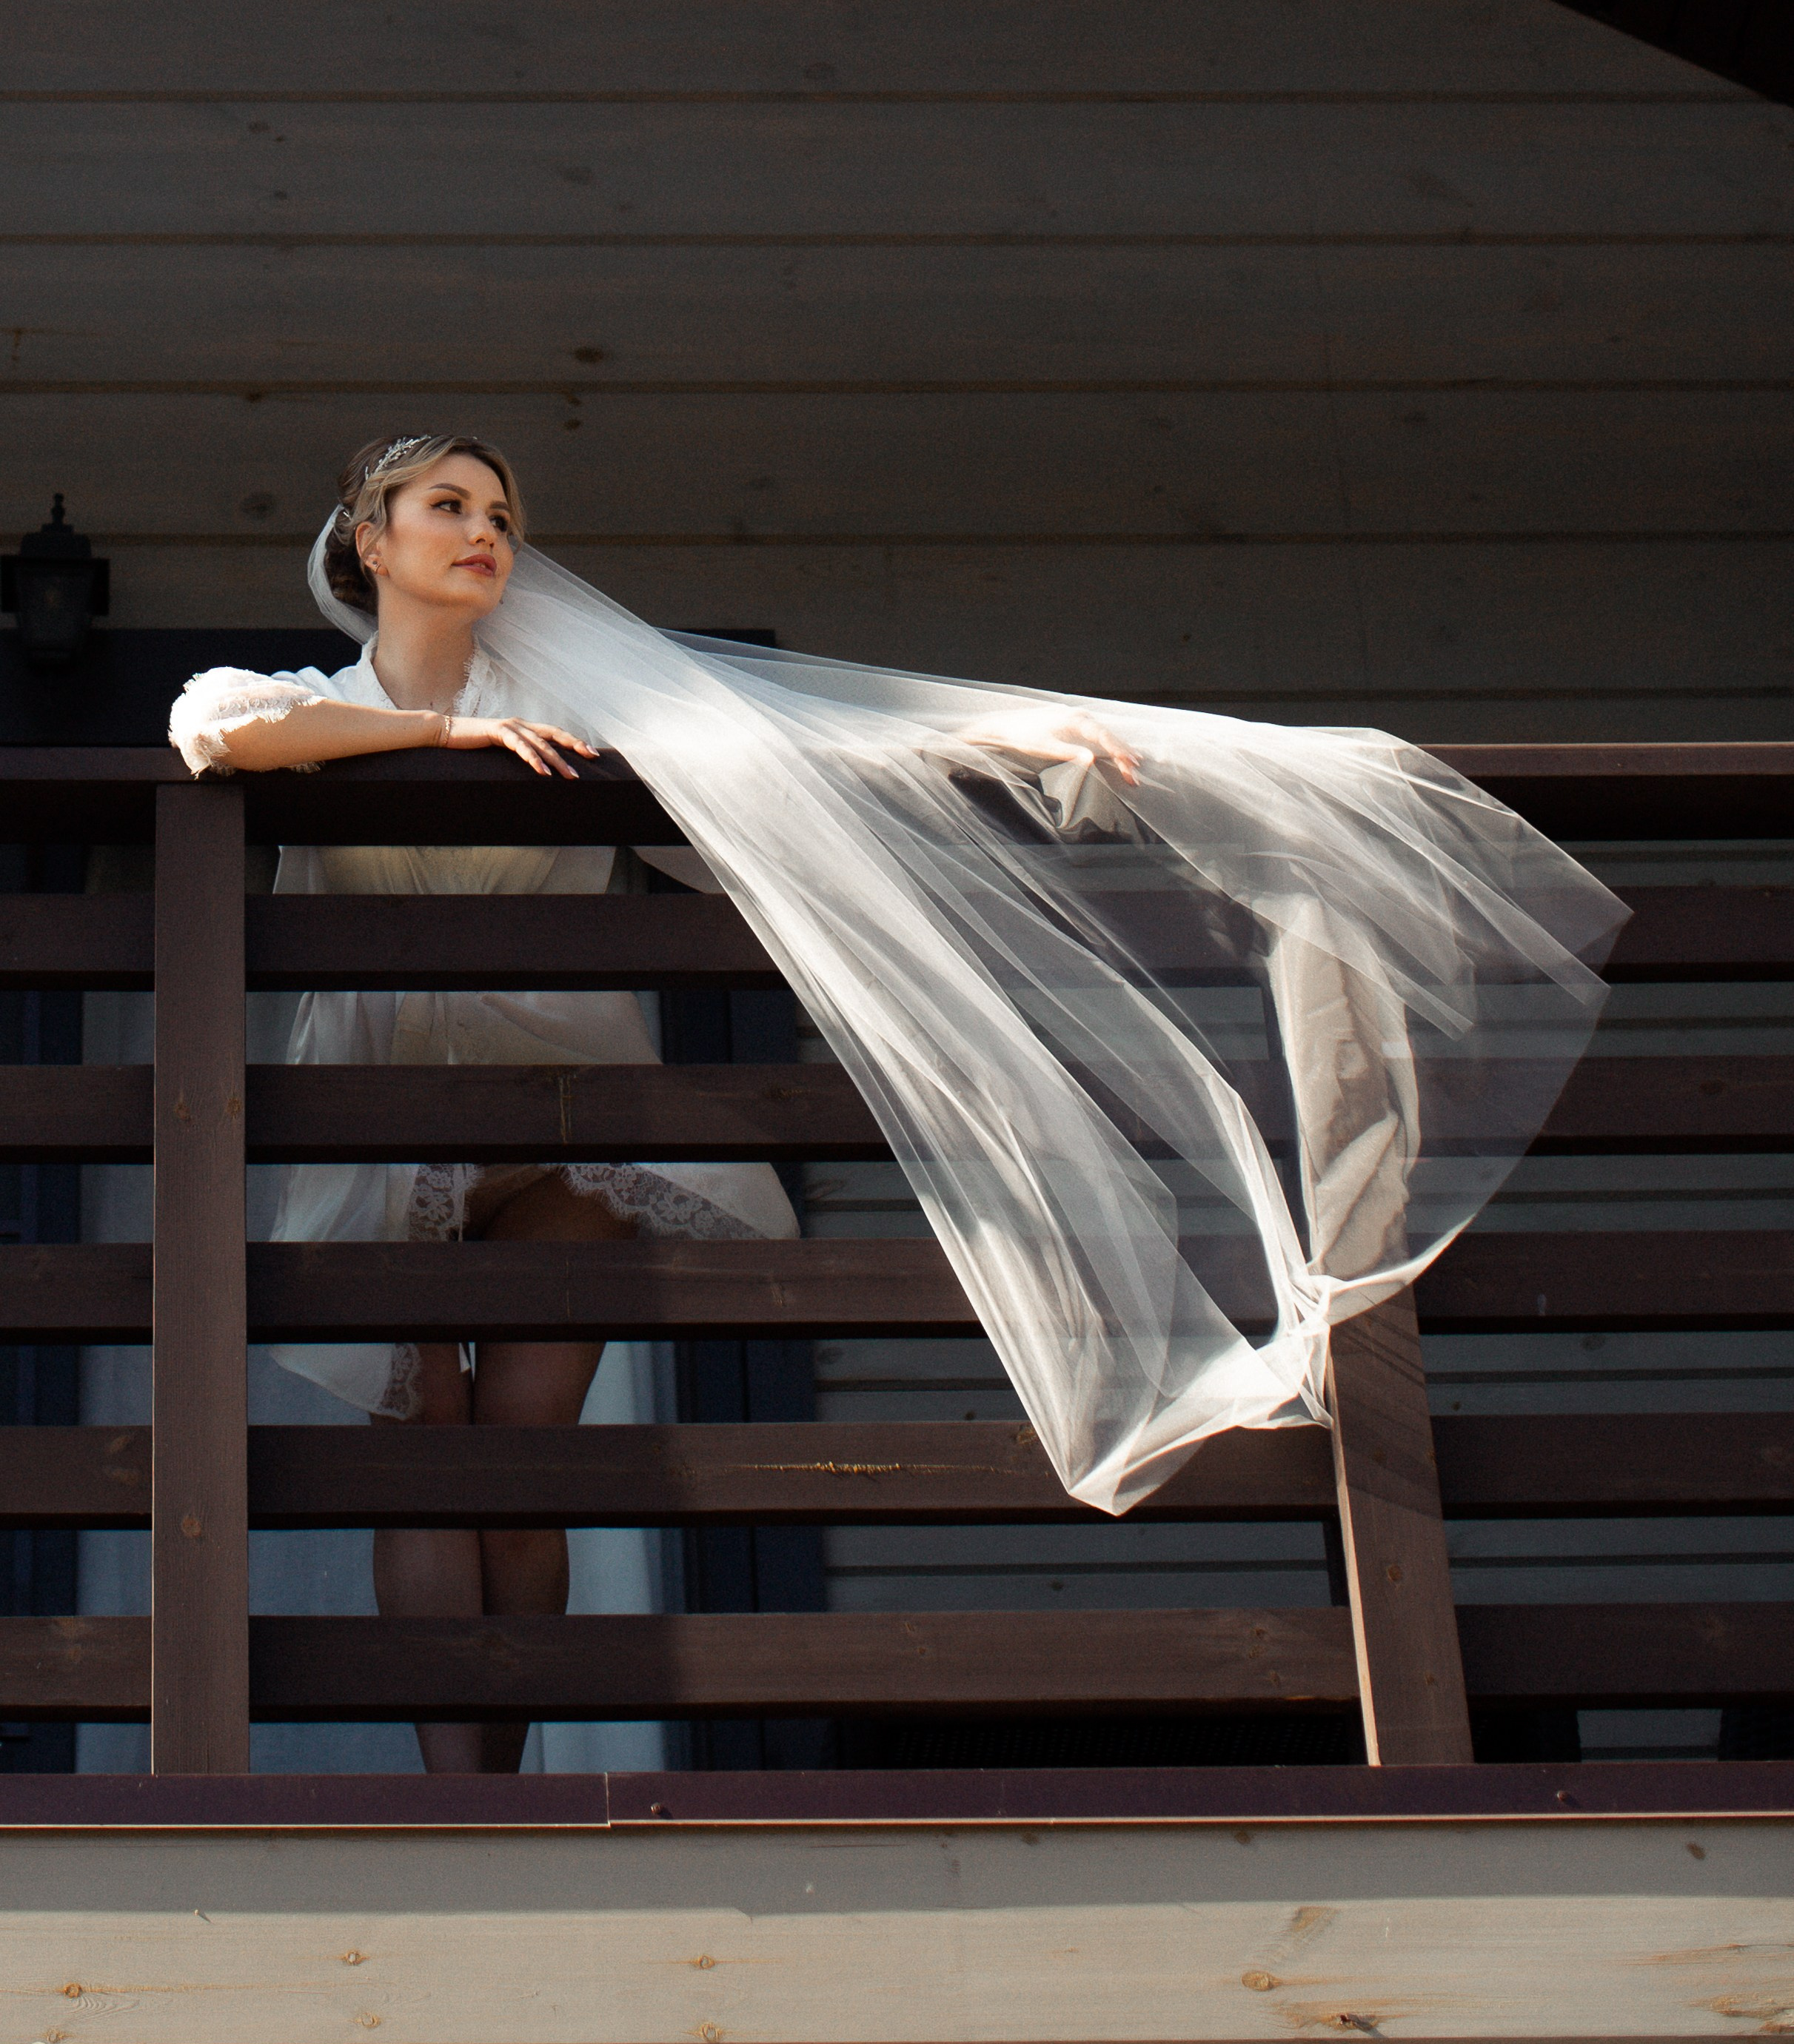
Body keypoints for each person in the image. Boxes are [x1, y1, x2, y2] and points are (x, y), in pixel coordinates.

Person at [173, 431, 1627, 1768]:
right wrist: (439, 744)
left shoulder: (577, 697)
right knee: (427, 1442)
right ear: (371, 541)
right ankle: (456, 1802)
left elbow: (811, 746)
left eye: (503, 513)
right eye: (450, 507)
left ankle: (508, 1783)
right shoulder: (316, 702)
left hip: (565, 1108)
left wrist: (1023, 745)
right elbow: (213, 737)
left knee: (529, 1446)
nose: (486, 530)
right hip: (387, 1116)